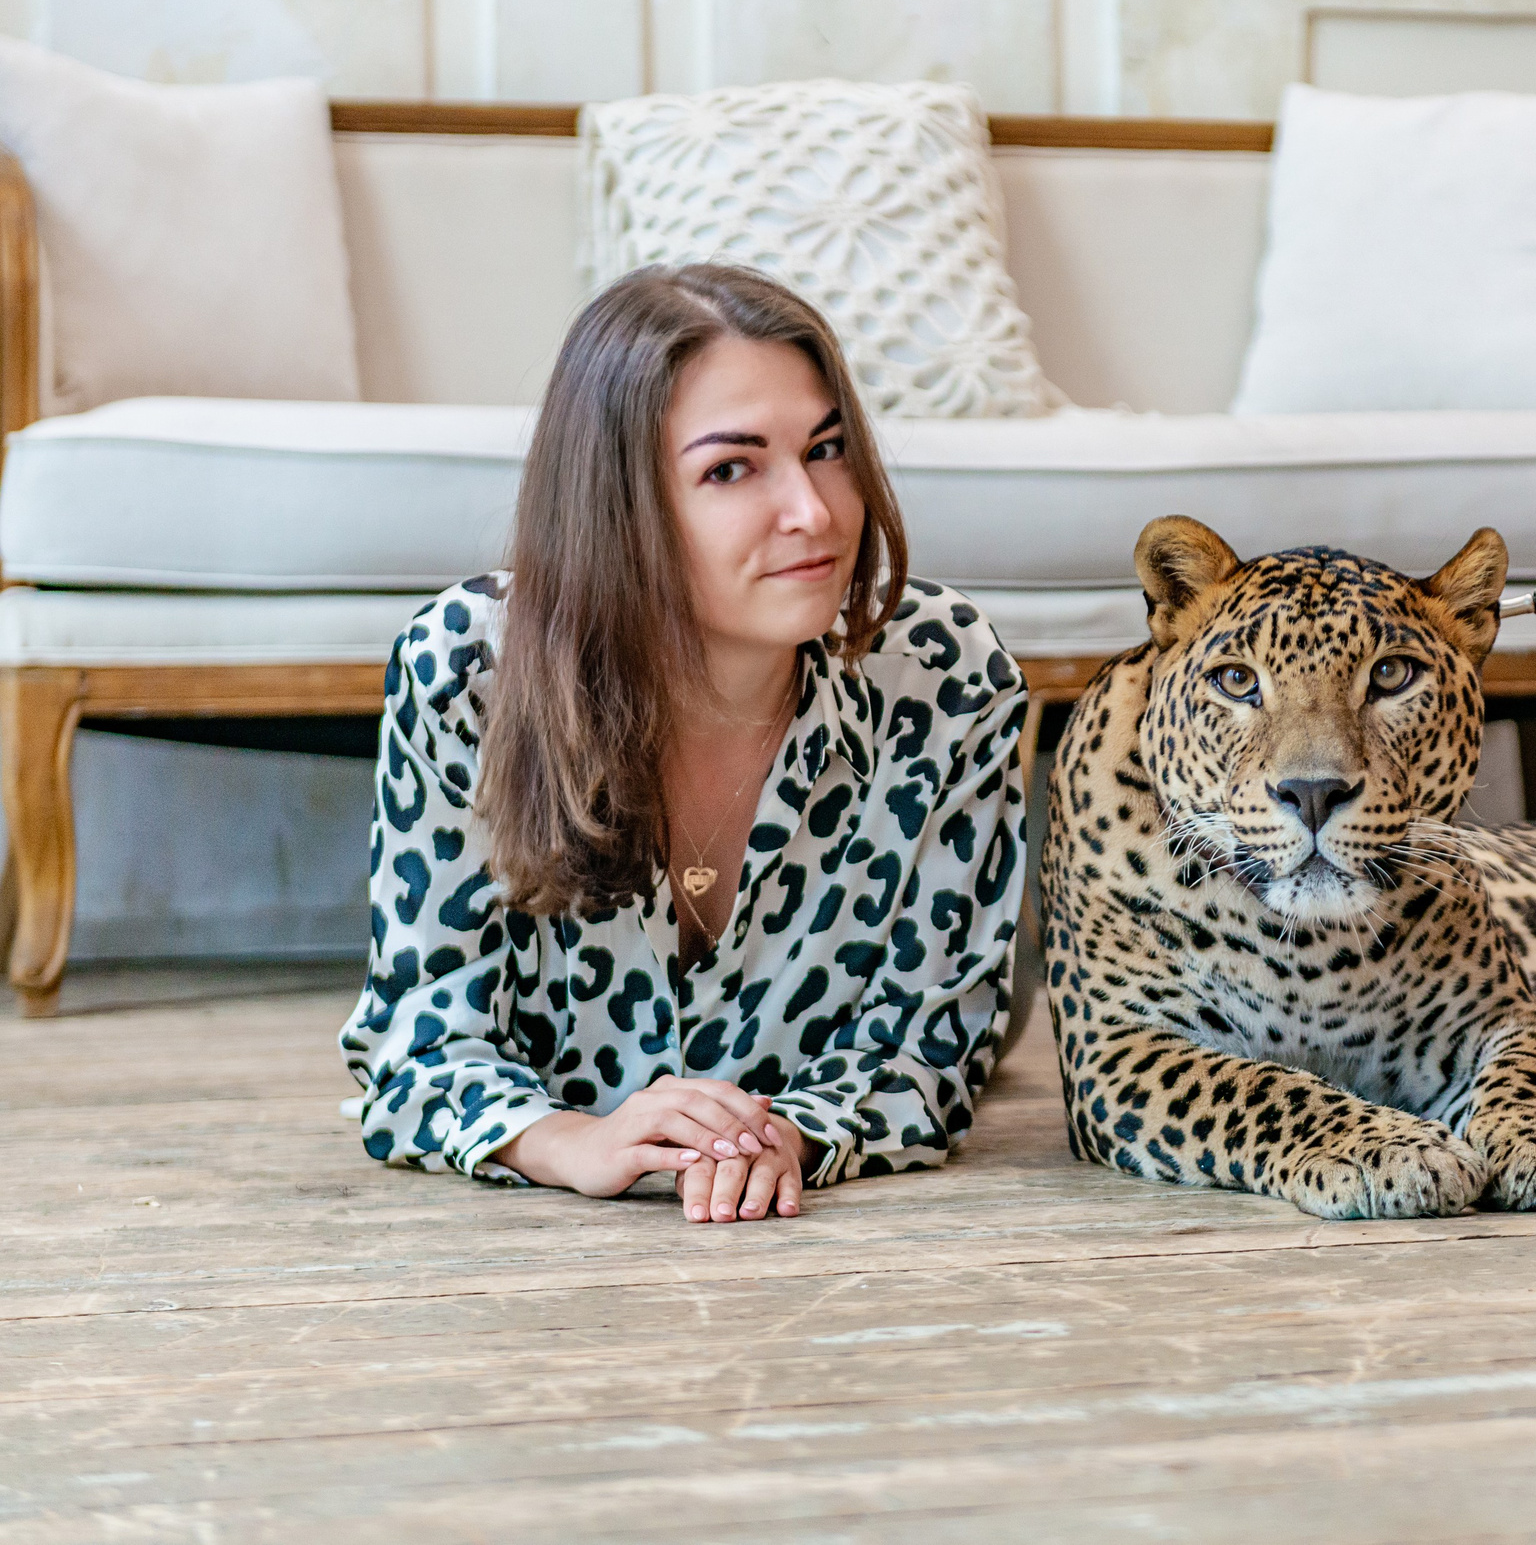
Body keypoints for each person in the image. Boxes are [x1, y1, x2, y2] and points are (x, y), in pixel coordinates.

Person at [340, 262, 1025, 1224]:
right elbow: (417, 1049)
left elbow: (930, 1048)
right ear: (619, 508)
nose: (815, 511)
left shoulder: (943, 675)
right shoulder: (469, 674)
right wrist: (568, 1141)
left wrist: (798, 1134)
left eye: (827, 448)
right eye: (731, 468)